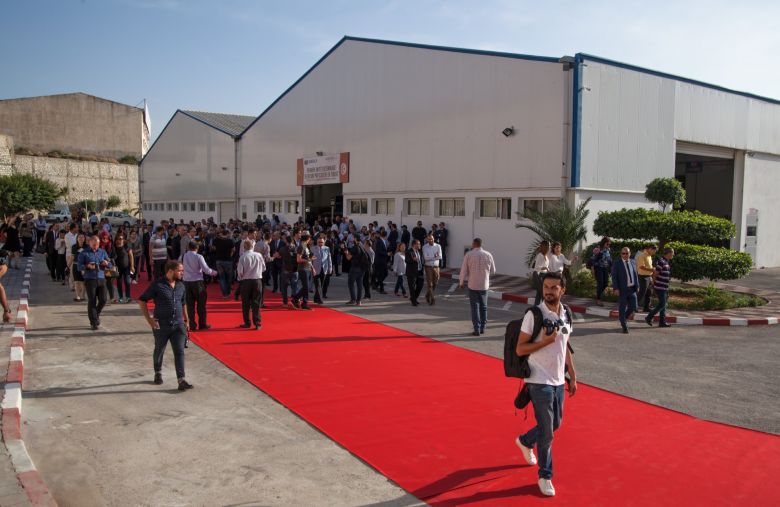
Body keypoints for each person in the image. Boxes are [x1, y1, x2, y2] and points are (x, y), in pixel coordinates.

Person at [514, 272, 577, 497]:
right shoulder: (534, 314)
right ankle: (545, 476)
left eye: (554, 287)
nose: (549, 291)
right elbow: (520, 349)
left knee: (555, 424)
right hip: (538, 380)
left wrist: (572, 374)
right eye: (546, 287)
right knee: (548, 432)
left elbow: (565, 346)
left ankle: (525, 441)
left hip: (558, 379)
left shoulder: (566, 313)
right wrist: (545, 341)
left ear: (563, 291)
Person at [138, 260, 193, 390]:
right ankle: (158, 372)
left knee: (179, 352)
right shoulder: (158, 285)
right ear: (170, 271)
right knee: (159, 350)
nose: (182, 273)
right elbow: (142, 300)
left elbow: (183, 303)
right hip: (161, 325)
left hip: (178, 325)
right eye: (180, 271)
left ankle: (181, 380)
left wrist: (187, 320)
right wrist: (149, 320)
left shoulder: (181, 285)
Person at [459, 238, 496, 336]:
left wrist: (461, 282)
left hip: (473, 285)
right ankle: (483, 327)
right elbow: (493, 270)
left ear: (474, 244)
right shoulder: (488, 255)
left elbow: (463, 270)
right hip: (484, 285)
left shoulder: (469, 255)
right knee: (484, 307)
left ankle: (477, 329)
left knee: (475, 308)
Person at [77, 235, 112, 330]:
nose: (95, 247)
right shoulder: (84, 253)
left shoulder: (102, 251)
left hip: (101, 278)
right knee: (92, 301)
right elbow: (79, 266)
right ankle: (93, 322)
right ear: (89, 243)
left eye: (97, 245)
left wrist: (107, 263)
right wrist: (87, 266)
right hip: (90, 279)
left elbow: (110, 264)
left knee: (103, 300)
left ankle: (96, 314)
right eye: (94, 245)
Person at [182, 240, 217, 331]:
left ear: (188, 247)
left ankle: (192, 325)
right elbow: (206, 270)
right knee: (201, 305)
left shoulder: (183, 256)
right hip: (197, 282)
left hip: (186, 282)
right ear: (197, 248)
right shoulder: (199, 256)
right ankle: (202, 324)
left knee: (190, 305)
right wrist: (215, 273)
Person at [237, 239, 265, 329]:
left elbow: (240, 272)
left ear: (244, 247)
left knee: (245, 303)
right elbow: (264, 268)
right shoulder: (259, 255)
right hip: (257, 280)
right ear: (253, 246)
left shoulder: (243, 257)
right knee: (256, 302)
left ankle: (247, 322)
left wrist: (241, 279)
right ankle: (257, 323)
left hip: (246, 281)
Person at [611, 247, 639, 334]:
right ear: (621, 254)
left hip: (632, 289)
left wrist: (637, 285)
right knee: (622, 308)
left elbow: (635, 275)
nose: (625, 255)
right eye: (623, 253)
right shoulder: (617, 263)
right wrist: (615, 288)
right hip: (622, 289)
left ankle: (623, 319)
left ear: (630, 254)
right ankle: (624, 325)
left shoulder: (633, 262)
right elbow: (614, 277)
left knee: (633, 306)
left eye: (627, 253)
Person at [645, 247, 674, 328]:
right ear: (668, 253)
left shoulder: (666, 262)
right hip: (660, 287)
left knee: (664, 305)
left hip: (664, 287)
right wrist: (653, 284)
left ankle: (662, 322)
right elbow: (655, 274)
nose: (673, 254)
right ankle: (649, 317)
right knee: (662, 304)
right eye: (672, 253)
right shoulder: (661, 262)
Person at [212, 228, 235, 298]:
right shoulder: (230, 241)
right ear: (227, 234)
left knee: (222, 278)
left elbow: (213, 248)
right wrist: (230, 255)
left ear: (221, 233)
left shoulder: (216, 240)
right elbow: (233, 250)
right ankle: (227, 292)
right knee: (228, 277)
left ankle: (225, 294)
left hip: (219, 260)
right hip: (228, 260)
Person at [111, 235, 134, 303]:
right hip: (118, 268)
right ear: (116, 240)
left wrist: (132, 266)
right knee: (119, 282)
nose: (120, 240)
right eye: (118, 239)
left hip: (126, 267)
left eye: (121, 239)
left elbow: (131, 256)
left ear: (123, 240)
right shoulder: (114, 247)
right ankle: (120, 297)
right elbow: (111, 257)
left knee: (127, 282)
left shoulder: (126, 246)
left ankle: (128, 297)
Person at [343, 238, 367, 306]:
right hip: (362, 268)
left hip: (354, 268)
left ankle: (353, 299)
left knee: (351, 284)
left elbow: (348, 258)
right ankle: (359, 301)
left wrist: (345, 252)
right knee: (359, 285)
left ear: (356, 239)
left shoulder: (355, 248)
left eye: (353, 238)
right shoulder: (362, 247)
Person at [590, 237, 612, 306]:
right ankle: (598, 299)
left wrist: (612, 267)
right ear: (604, 243)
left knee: (606, 283)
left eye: (609, 244)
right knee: (601, 283)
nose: (608, 246)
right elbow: (593, 260)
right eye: (607, 244)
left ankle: (597, 295)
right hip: (598, 268)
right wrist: (592, 269)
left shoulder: (608, 250)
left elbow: (609, 260)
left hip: (605, 268)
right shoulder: (598, 250)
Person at [294, 235, 314, 310]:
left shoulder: (305, 246)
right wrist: (308, 260)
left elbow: (306, 258)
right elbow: (298, 259)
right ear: (308, 239)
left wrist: (310, 261)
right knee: (306, 287)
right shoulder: (301, 247)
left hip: (307, 268)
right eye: (309, 239)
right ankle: (304, 303)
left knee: (307, 287)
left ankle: (296, 298)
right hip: (303, 269)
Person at [311, 235, 333, 304]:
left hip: (324, 269)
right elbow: (310, 260)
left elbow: (329, 259)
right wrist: (311, 268)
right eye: (319, 242)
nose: (320, 244)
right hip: (315, 269)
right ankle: (319, 299)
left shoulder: (327, 248)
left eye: (322, 242)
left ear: (324, 242)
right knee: (318, 285)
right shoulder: (312, 248)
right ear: (317, 242)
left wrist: (330, 268)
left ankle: (315, 298)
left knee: (322, 284)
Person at [635, 244, 657, 312]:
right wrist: (652, 270)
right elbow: (641, 266)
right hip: (642, 276)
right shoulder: (642, 255)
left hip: (648, 276)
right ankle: (633, 306)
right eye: (654, 251)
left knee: (649, 293)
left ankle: (646, 307)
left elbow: (648, 266)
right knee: (641, 293)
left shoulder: (649, 256)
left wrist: (652, 270)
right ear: (650, 249)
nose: (654, 252)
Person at [422, 234, 442, 305]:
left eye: (432, 239)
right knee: (430, 284)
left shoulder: (438, 246)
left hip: (436, 267)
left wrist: (431, 257)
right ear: (427, 240)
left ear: (434, 239)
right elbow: (425, 258)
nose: (431, 240)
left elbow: (440, 256)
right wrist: (434, 256)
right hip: (428, 267)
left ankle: (428, 294)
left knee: (435, 283)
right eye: (429, 239)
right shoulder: (424, 247)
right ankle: (432, 298)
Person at [405, 239, 424, 306]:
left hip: (419, 271)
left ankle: (414, 298)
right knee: (412, 287)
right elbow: (407, 260)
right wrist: (413, 260)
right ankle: (414, 301)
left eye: (419, 244)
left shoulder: (419, 251)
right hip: (411, 272)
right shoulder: (409, 251)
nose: (419, 245)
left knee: (420, 285)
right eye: (418, 244)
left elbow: (421, 261)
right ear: (414, 245)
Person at [532, 241, 551, 305]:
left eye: (549, 246)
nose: (549, 247)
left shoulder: (546, 256)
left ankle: (536, 308)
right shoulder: (540, 255)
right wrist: (544, 268)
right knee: (542, 293)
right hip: (538, 275)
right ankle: (545, 308)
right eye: (548, 246)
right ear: (544, 246)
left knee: (539, 293)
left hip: (544, 275)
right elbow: (536, 267)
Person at [71, 234, 87, 302]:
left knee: (83, 282)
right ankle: (77, 296)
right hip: (75, 265)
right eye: (79, 237)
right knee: (76, 281)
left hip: (83, 266)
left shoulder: (87, 247)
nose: (81, 238)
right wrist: (68, 266)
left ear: (84, 239)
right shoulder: (74, 246)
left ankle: (83, 296)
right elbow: (72, 257)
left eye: (82, 237)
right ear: (77, 239)